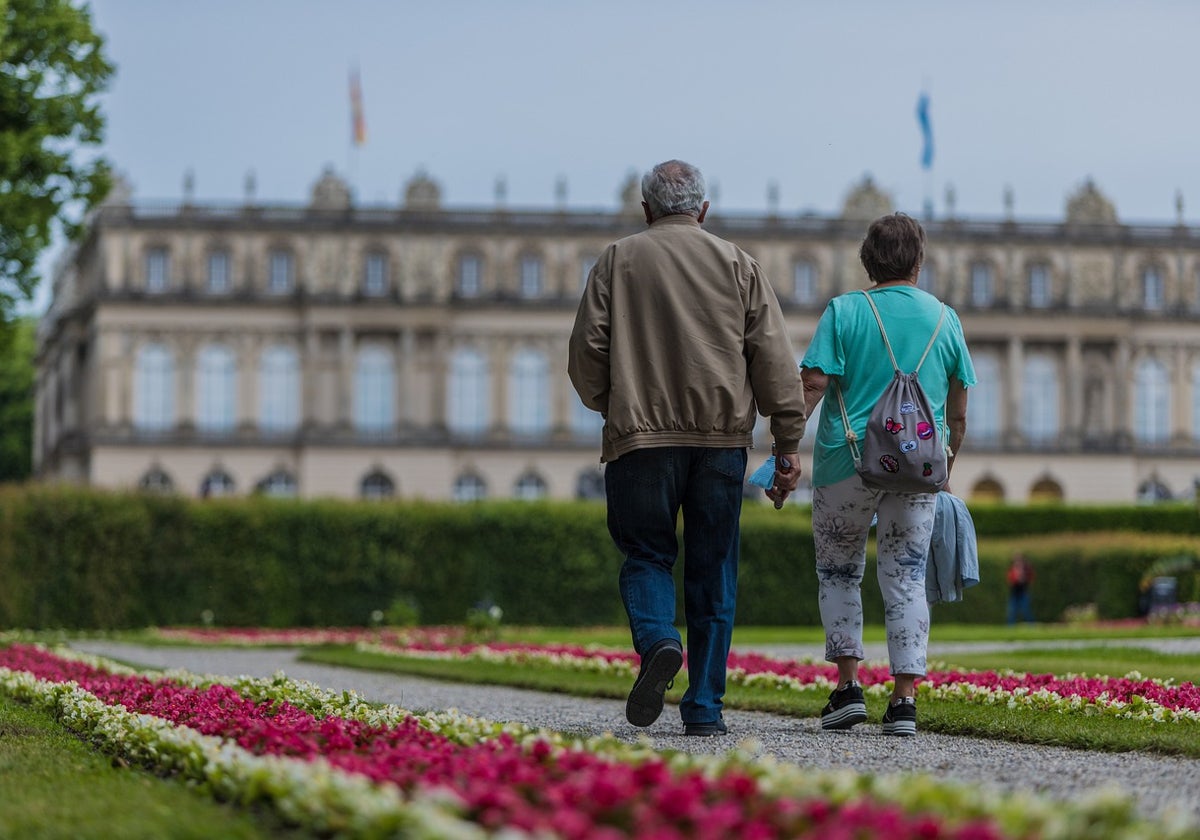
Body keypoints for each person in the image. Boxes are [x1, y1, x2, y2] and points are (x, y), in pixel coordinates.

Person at [569, 160, 806, 737]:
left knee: (647, 555)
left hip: (640, 442)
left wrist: (616, 404)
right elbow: (774, 361)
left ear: (646, 209)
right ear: (703, 210)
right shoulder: (738, 264)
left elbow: (585, 357)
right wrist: (787, 442)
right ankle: (704, 706)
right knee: (712, 569)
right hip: (720, 443)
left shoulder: (617, 260)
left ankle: (657, 642)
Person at [769, 212, 974, 736]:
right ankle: (904, 703)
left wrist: (786, 449)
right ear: (919, 262)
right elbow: (958, 410)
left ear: (867, 260)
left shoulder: (844, 311)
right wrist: (944, 465)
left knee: (839, 573)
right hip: (918, 469)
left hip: (846, 462)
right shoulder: (945, 318)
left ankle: (848, 689)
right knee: (906, 578)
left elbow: (810, 386)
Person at [1006, 553, 1036, 624]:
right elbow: (1010, 580)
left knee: (1026, 611)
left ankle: (1032, 625)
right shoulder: (1012, 569)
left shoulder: (1026, 569)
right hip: (1014, 593)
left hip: (1023, 592)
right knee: (1012, 612)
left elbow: (1031, 578)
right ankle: (1010, 628)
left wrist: (1024, 579)